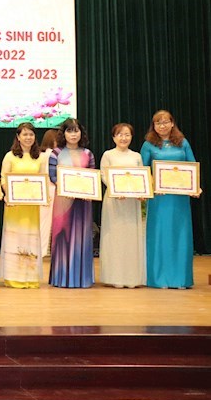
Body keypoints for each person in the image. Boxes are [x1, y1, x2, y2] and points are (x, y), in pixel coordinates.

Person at [141, 110, 201, 288]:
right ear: (153, 126)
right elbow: (143, 171)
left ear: (172, 123)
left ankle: (181, 279)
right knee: (160, 235)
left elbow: (192, 166)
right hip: (159, 199)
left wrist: (195, 186)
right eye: (158, 123)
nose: (162, 126)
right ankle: (159, 279)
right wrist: (152, 186)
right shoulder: (148, 144)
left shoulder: (183, 142)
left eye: (165, 122)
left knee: (180, 235)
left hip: (180, 198)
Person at [48, 118, 96, 288]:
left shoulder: (88, 153)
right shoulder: (56, 153)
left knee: (82, 237)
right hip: (63, 201)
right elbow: (53, 176)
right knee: (62, 236)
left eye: (76, 130)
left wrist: (87, 191)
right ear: (64, 134)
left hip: (83, 202)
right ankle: (61, 278)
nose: (73, 134)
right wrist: (67, 188)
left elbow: (92, 176)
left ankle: (82, 278)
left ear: (81, 133)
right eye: (69, 131)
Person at [0, 123, 46, 288]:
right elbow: (3, 177)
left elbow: (43, 178)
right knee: (15, 238)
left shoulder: (40, 157)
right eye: (25, 134)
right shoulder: (10, 156)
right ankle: (14, 277)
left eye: (31, 134)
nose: (28, 138)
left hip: (32, 206)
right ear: (18, 137)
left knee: (30, 238)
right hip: (15, 205)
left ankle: (30, 277)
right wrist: (9, 194)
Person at [99, 123, 145, 288]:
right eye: (120, 134)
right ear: (114, 137)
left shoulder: (136, 156)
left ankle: (132, 278)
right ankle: (115, 277)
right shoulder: (108, 155)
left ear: (131, 137)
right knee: (115, 236)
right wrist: (115, 189)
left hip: (132, 202)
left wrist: (141, 192)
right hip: (114, 200)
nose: (123, 138)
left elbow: (142, 177)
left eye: (127, 134)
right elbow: (104, 175)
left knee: (131, 237)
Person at [38, 129, 58, 257]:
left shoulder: (39, 155)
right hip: (51, 189)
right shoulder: (53, 154)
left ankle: (43, 250)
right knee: (48, 222)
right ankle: (45, 250)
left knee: (43, 222)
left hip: (42, 190)